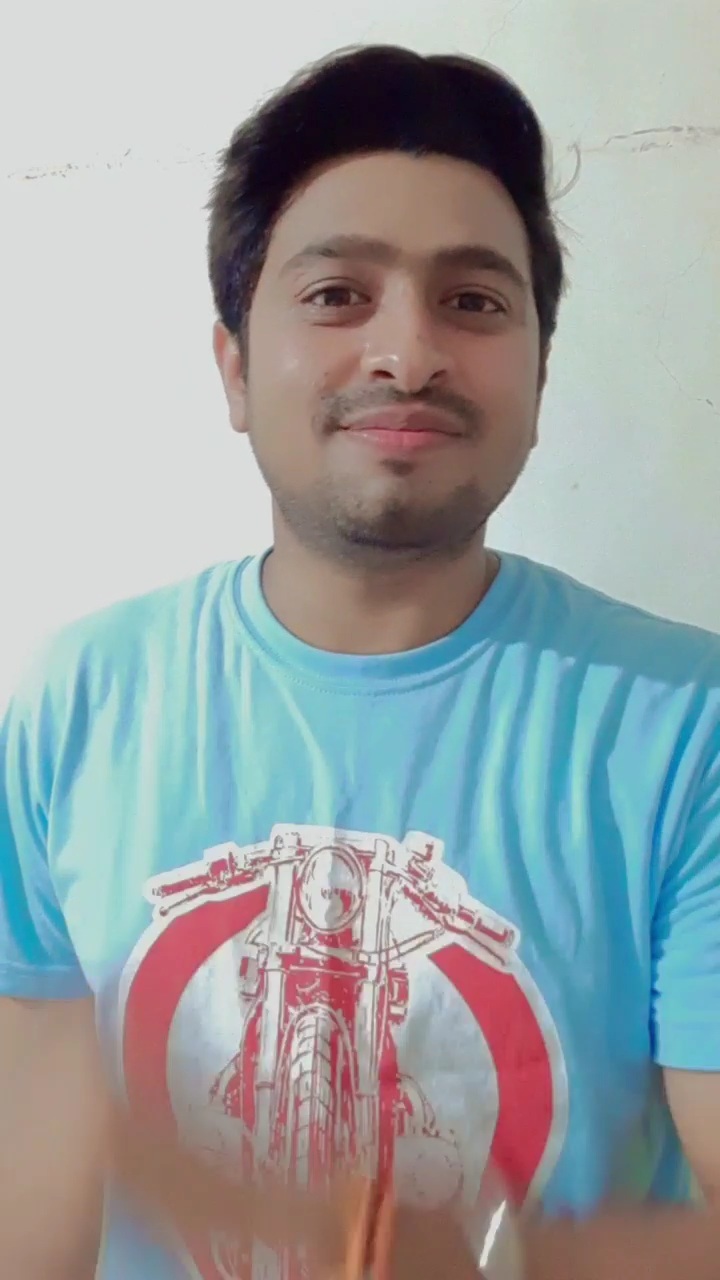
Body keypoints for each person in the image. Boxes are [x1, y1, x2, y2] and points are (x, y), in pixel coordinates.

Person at [1, 41, 719, 1280]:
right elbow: (35, 1186)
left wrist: (486, 1255)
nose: (408, 353)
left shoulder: (683, 727)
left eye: (474, 302)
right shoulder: (81, 701)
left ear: (540, 372)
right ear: (234, 365)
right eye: (338, 294)